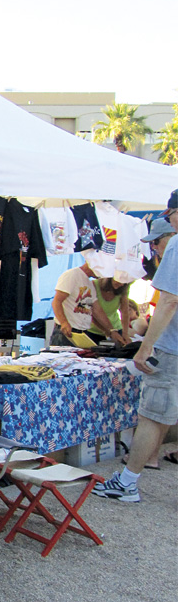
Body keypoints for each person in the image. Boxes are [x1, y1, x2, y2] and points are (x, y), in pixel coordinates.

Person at [92, 191, 178, 503]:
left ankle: (127, 482)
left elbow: (169, 300)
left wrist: (146, 347)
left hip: (172, 349)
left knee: (152, 416)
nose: (154, 248)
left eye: (170, 215)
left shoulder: (176, 246)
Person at [50, 254, 127, 347]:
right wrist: (64, 323)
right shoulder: (72, 275)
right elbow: (56, 302)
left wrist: (111, 331)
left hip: (82, 333)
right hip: (66, 331)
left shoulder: (89, 284)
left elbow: (97, 310)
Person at [87, 267, 135, 343]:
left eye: (124, 283)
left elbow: (125, 312)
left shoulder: (122, 289)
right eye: (119, 281)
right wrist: (109, 331)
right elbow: (93, 312)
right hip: (93, 331)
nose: (121, 284)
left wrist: (125, 334)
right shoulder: (93, 285)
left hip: (116, 329)